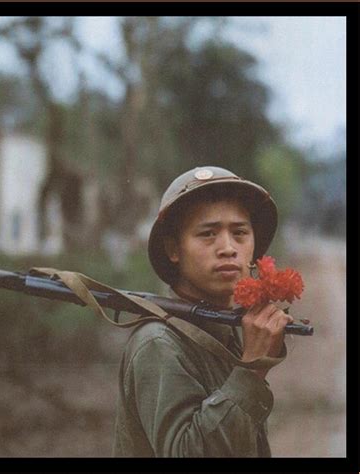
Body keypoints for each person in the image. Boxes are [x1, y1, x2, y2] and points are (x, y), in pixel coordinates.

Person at [112, 166, 293, 457]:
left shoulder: (224, 329)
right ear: (174, 249)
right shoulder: (159, 343)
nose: (228, 248)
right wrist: (253, 368)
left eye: (240, 233)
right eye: (208, 234)